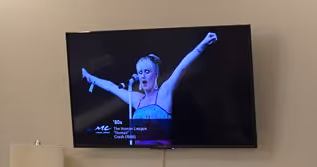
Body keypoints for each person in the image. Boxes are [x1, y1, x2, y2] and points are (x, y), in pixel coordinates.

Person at [82, 32, 218, 122]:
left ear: (156, 74)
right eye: (140, 72)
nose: (143, 76)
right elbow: (110, 87)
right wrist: (89, 77)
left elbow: (182, 67)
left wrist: (202, 45)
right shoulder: (137, 99)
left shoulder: (164, 93)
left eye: (147, 71)